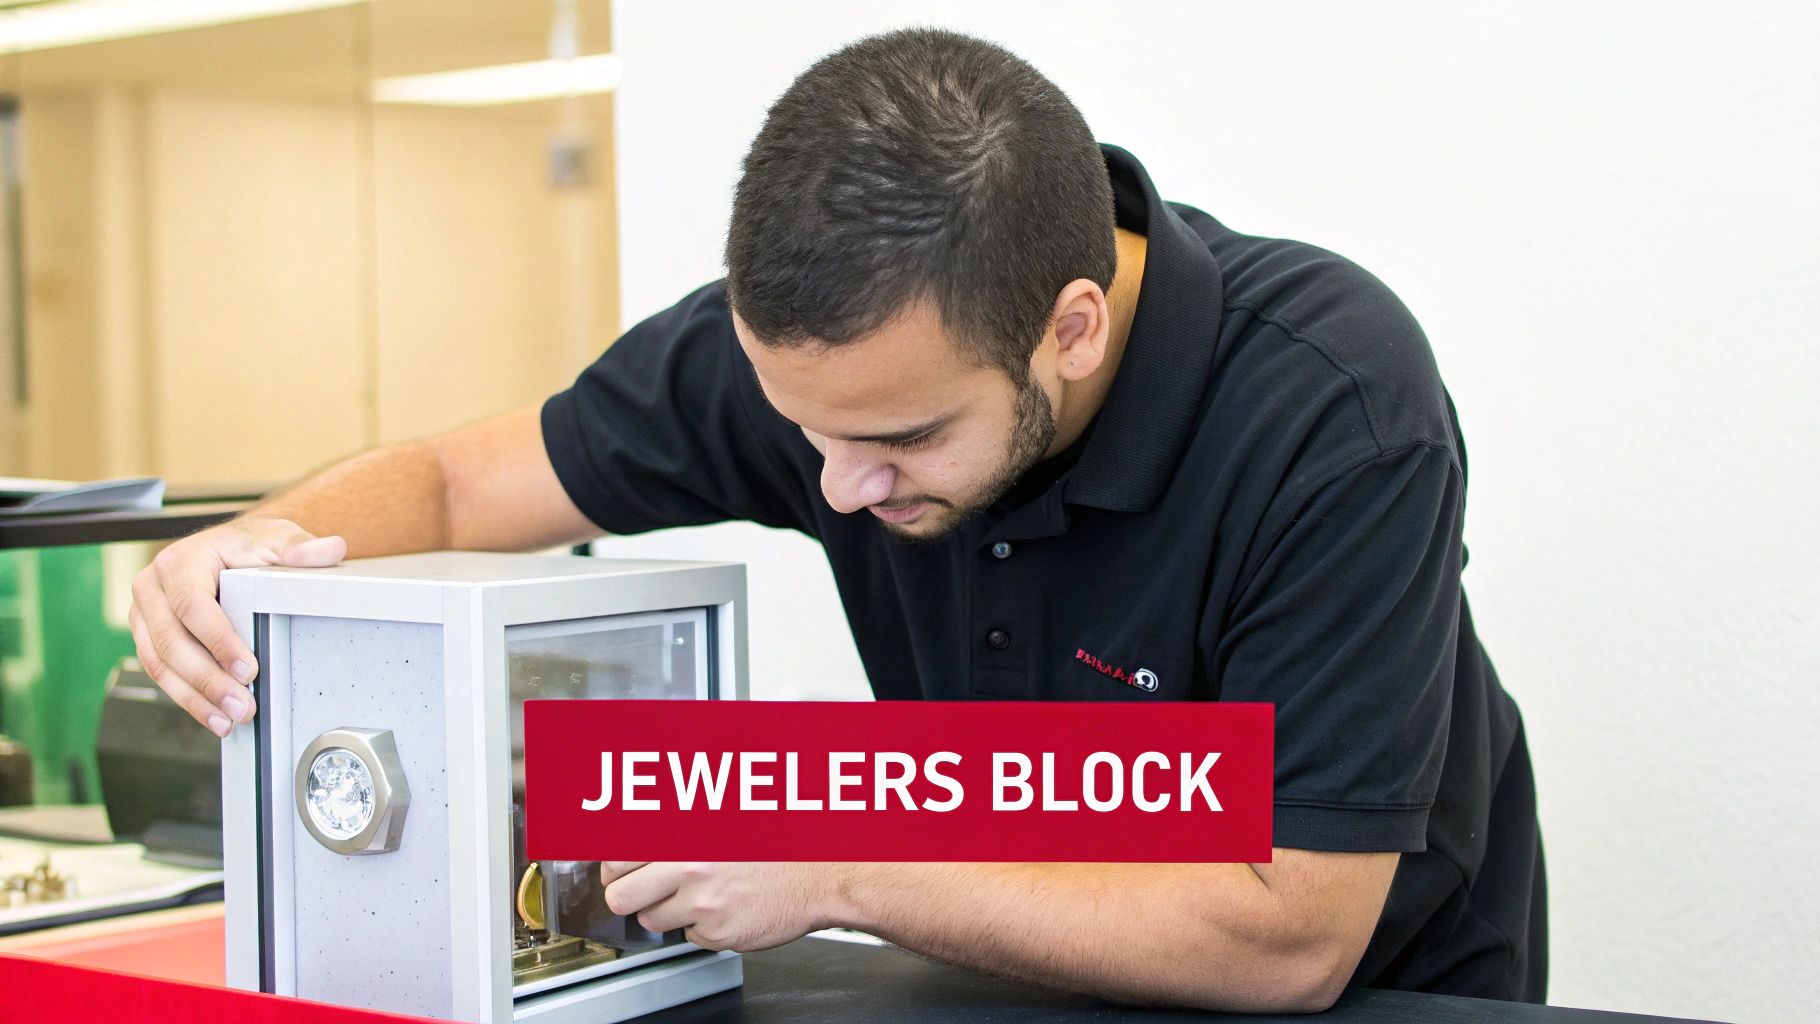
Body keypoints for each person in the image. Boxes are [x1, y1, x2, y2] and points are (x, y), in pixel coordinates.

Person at [129, 28, 1544, 1013]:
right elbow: (455, 483)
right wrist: (247, 551)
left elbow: (1290, 931)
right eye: (803, 433)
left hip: (1376, 985)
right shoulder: (831, 362)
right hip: (1030, 961)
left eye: (901, 440)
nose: (833, 487)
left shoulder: (1334, 409)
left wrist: (837, 854)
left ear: (1071, 329)